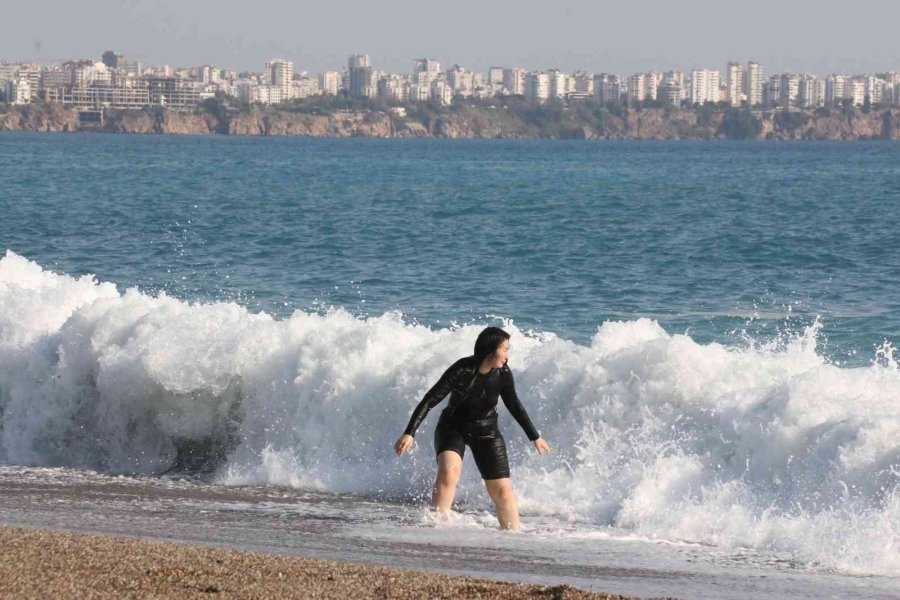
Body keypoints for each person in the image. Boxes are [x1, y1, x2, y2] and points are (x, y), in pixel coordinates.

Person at [393, 326, 552, 530]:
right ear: (490, 349)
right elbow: (431, 399)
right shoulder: (463, 369)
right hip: (453, 427)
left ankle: (514, 538)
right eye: (504, 349)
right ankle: (436, 529)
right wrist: (410, 432)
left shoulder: (503, 373)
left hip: (487, 432)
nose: (507, 354)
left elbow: (514, 404)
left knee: (502, 491)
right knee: (449, 472)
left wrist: (534, 436)